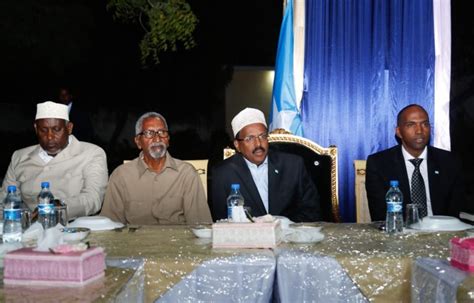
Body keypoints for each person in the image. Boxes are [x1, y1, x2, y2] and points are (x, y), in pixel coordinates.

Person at [0, 101, 108, 219]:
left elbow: (93, 199)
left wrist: (60, 206)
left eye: (56, 129)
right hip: (29, 229)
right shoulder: (20, 157)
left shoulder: (91, 153)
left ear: (69, 128)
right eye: (43, 130)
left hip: (74, 228)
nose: (50, 136)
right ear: (36, 128)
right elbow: (4, 201)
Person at [100, 112, 212, 225]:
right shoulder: (121, 176)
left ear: (168, 139)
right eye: (149, 133)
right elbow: (110, 226)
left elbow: (201, 225)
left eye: (162, 132)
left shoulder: (186, 173)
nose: (157, 138)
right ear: (138, 142)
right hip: (136, 242)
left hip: (176, 241)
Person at [211, 108, 321, 222]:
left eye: (262, 136)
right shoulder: (223, 173)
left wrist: (283, 225)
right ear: (237, 145)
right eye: (250, 138)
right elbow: (222, 221)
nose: (258, 144)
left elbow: (312, 211)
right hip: (247, 238)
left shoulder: (293, 165)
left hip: (290, 235)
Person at [366, 104, 466, 221]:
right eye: (411, 125)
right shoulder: (379, 163)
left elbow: (455, 210)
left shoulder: (449, 161)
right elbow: (380, 214)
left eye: (425, 124)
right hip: (400, 233)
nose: (419, 131)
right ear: (399, 132)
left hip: (442, 231)